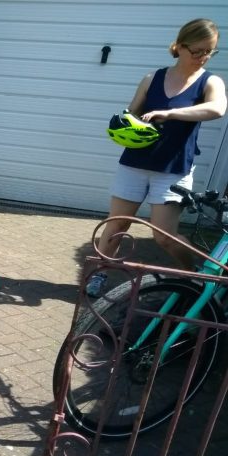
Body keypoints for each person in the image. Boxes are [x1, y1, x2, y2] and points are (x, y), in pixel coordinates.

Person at [87, 18, 227, 297]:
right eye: (196, 50)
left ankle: (196, 277)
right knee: (117, 224)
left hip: (173, 169)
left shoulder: (209, 81)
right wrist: (125, 126)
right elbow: (130, 114)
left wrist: (171, 113)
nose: (202, 57)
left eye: (209, 51)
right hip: (135, 164)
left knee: (164, 236)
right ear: (179, 46)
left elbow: (218, 108)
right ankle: (99, 274)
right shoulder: (152, 79)